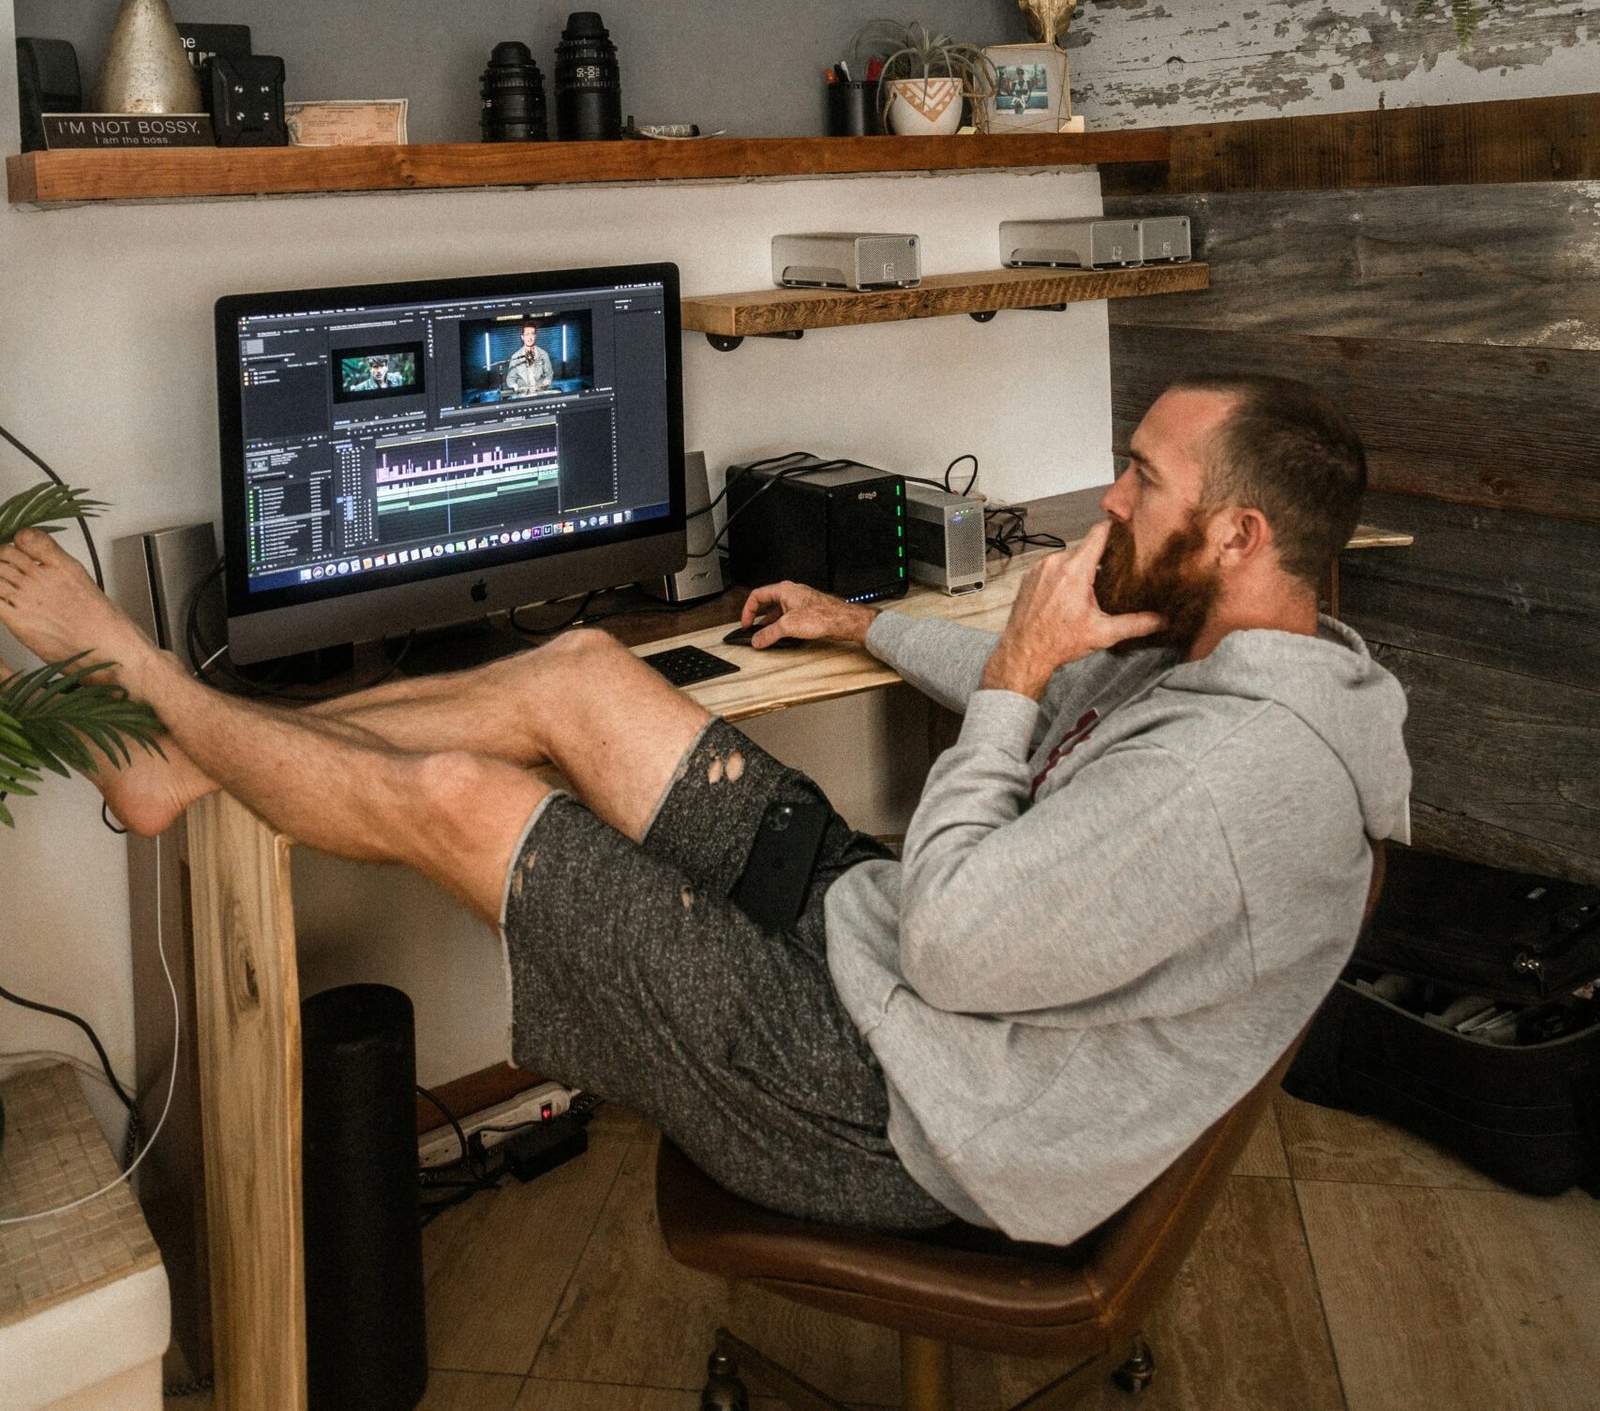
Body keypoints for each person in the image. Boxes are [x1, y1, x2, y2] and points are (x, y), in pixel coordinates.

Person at [0, 376, 1409, 1247]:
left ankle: (140, 682)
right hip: (888, 959)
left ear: (1240, 537)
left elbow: (961, 949)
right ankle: (181, 757)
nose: (1110, 498)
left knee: (459, 800)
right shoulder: (1221, 658)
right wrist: (865, 624)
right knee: (578, 673)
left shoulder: (1226, 781)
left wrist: (1023, 676)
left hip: (894, 1109)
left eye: (1144, 479)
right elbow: (1024, 694)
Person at [500, 320, 554, 396]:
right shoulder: (515, 357)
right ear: (522, 337)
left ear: (535, 336)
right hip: (522, 396)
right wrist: (514, 386)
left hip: (540, 394)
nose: (530, 338)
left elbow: (549, 374)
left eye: (532, 334)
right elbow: (510, 380)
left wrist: (547, 381)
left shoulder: (543, 354)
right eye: (527, 334)